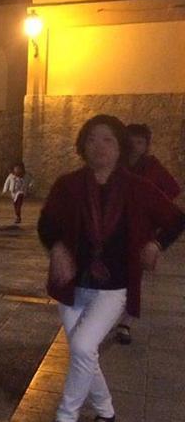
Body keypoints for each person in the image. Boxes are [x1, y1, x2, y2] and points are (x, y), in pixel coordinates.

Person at [38, 114, 185, 422]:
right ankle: (106, 413)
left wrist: (156, 244)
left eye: (108, 139)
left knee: (82, 346)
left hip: (114, 287)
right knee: (84, 353)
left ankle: (66, 415)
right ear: (82, 146)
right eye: (91, 139)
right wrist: (58, 247)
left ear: (120, 147)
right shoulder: (68, 185)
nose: (99, 146)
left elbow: (176, 219)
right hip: (72, 285)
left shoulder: (137, 188)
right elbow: (46, 223)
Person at [115, 123, 182, 345]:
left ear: (146, 145)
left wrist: (154, 206)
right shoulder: (117, 163)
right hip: (115, 226)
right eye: (131, 141)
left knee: (134, 275)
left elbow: (173, 188)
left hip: (142, 228)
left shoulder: (152, 166)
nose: (135, 146)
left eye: (140, 142)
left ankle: (126, 322)